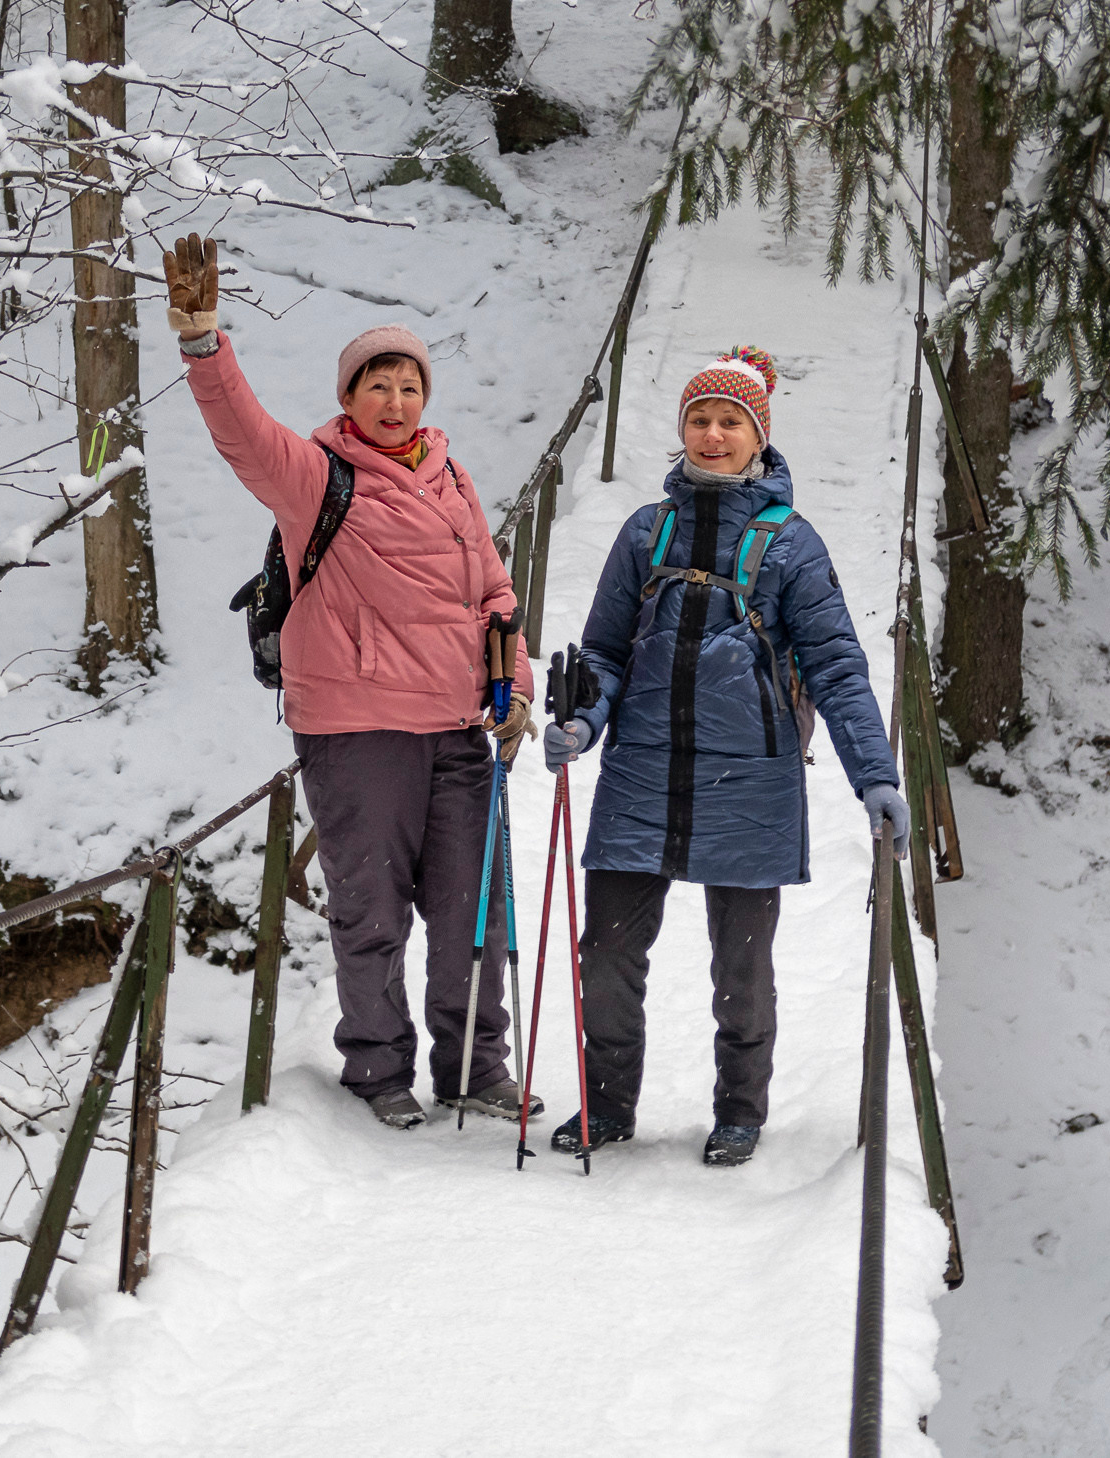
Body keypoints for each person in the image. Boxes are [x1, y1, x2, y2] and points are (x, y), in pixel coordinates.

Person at [164, 233, 538, 1130]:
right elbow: (242, 436)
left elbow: (494, 590)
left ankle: (477, 1068)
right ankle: (377, 1071)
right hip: (357, 725)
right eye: (378, 384)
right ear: (348, 398)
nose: (396, 400)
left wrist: (515, 685)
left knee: (475, 908)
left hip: (461, 725)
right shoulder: (316, 476)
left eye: (409, 386)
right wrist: (204, 343)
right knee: (372, 911)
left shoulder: (453, 478)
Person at [541, 346, 910, 1167]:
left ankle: (739, 1111)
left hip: (752, 784)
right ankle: (606, 1106)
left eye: (730, 422)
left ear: (758, 435)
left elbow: (836, 666)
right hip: (641, 773)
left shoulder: (792, 546)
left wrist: (874, 777)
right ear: (682, 433)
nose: (713, 435)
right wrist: (583, 723)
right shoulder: (647, 531)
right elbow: (604, 651)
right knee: (604, 955)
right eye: (700, 420)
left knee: (741, 971)